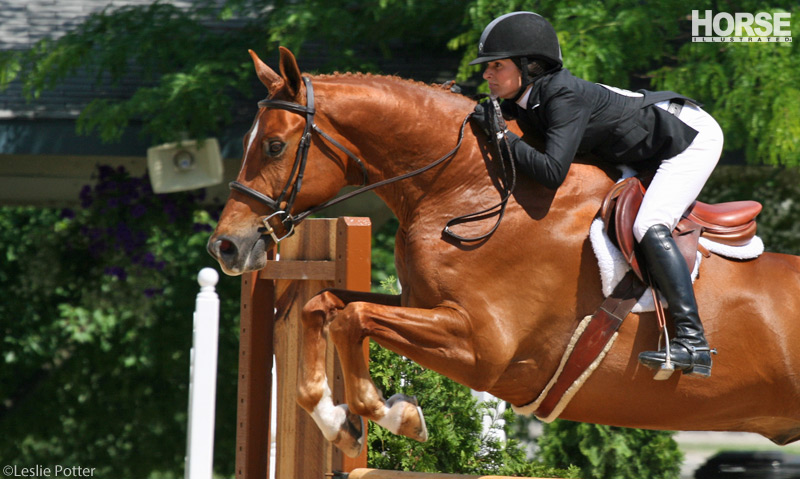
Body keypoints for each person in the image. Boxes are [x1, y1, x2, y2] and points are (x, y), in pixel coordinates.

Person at [470, 11, 723, 378]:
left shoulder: (562, 96)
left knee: (648, 224)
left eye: (496, 65)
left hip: (687, 139)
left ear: (530, 66)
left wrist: (500, 136)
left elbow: (551, 173)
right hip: (641, 148)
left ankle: (692, 341)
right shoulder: (528, 97)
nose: (486, 74)